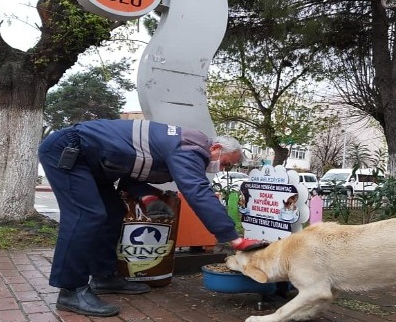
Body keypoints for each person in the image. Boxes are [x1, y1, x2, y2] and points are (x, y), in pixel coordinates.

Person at [38, 119, 268, 317]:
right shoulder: (191, 146)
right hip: (70, 150)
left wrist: (149, 198)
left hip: (93, 162)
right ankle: (70, 289)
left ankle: (103, 276)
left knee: (112, 212)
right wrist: (232, 237)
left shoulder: (180, 145)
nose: (222, 168)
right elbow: (196, 190)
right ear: (216, 148)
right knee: (86, 216)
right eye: (226, 162)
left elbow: (131, 170)